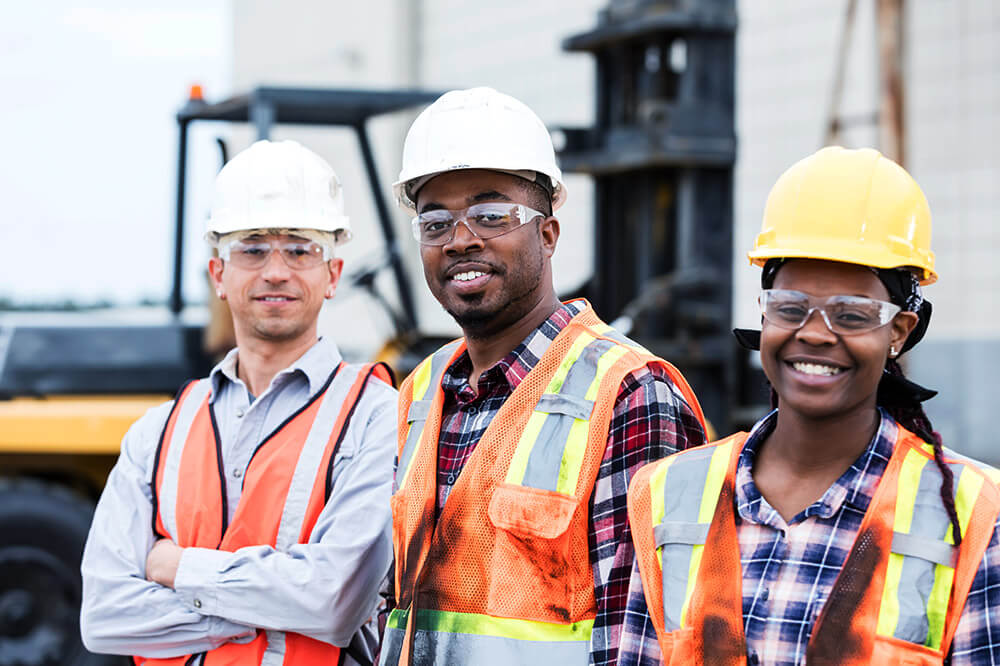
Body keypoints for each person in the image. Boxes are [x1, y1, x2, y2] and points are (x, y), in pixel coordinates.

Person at [622, 146, 1000, 665]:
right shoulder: (667, 495)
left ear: (899, 331)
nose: (816, 334)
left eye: (851, 315)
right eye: (791, 308)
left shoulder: (975, 515)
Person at [378, 87, 707, 666]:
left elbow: (643, 642)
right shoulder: (420, 392)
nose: (461, 239)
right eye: (436, 221)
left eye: (490, 215)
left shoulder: (628, 394)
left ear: (548, 235)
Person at [80, 140, 397, 665]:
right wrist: (275, 604)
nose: (276, 270)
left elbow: (336, 602)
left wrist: (179, 569)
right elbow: (105, 617)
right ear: (218, 276)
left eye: (301, 249)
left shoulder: (377, 416)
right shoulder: (158, 431)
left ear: (333, 275)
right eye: (251, 249)